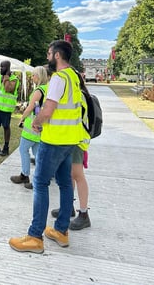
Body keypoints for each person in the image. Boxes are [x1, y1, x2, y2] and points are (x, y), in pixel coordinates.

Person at [9, 40, 84, 253]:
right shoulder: (74, 76)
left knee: (40, 183)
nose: (47, 57)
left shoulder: (59, 78)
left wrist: (36, 121)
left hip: (54, 140)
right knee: (65, 183)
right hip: (70, 139)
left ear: (57, 55)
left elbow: (48, 109)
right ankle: (61, 231)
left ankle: (35, 237)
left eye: (49, 53)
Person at [50, 69, 92, 230]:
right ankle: (68, 207)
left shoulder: (77, 95)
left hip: (76, 140)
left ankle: (84, 214)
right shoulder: (79, 93)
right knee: (70, 176)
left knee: (77, 175)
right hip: (72, 139)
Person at [11, 65, 49, 189]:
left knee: (23, 150)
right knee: (38, 154)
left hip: (32, 127)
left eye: (33, 75)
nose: (32, 77)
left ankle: (24, 174)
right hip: (42, 126)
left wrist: (22, 118)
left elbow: (31, 107)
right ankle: (39, 178)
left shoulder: (38, 91)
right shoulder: (47, 88)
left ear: (38, 76)